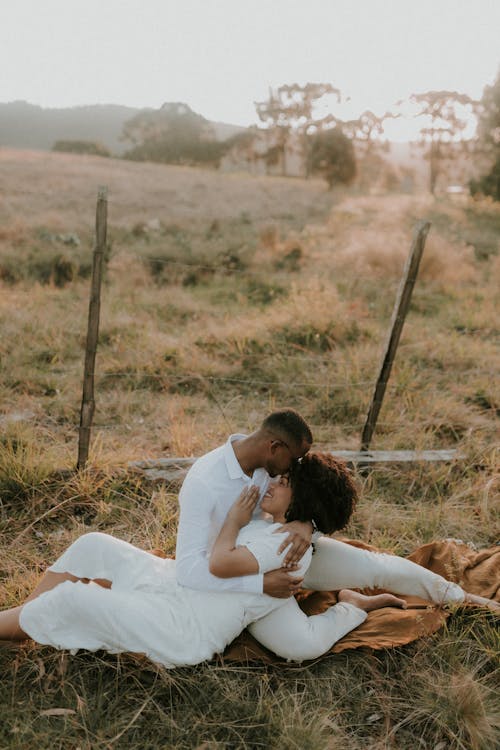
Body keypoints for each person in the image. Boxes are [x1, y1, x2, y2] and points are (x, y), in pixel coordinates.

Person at [0, 453, 402, 666]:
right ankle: (22, 619)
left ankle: (14, 624)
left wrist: (234, 520)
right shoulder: (283, 527)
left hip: (181, 629)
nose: (274, 481)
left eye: (284, 482)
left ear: (302, 502)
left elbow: (218, 564)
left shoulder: (282, 545)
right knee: (93, 544)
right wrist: (306, 526)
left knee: (74, 599)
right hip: (177, 585)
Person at [176, 409, 498, 662]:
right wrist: (261, 584)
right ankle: (353, 604)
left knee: (380, 566)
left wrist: (308, 525)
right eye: (293, 462)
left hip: (287, 549)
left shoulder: (271, 461)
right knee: (300, 647)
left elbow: (311, 491)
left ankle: (464, 598)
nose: (296, 467)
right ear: (274, 448)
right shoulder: (206, 481)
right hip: (243, 579)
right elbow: (190, 571)